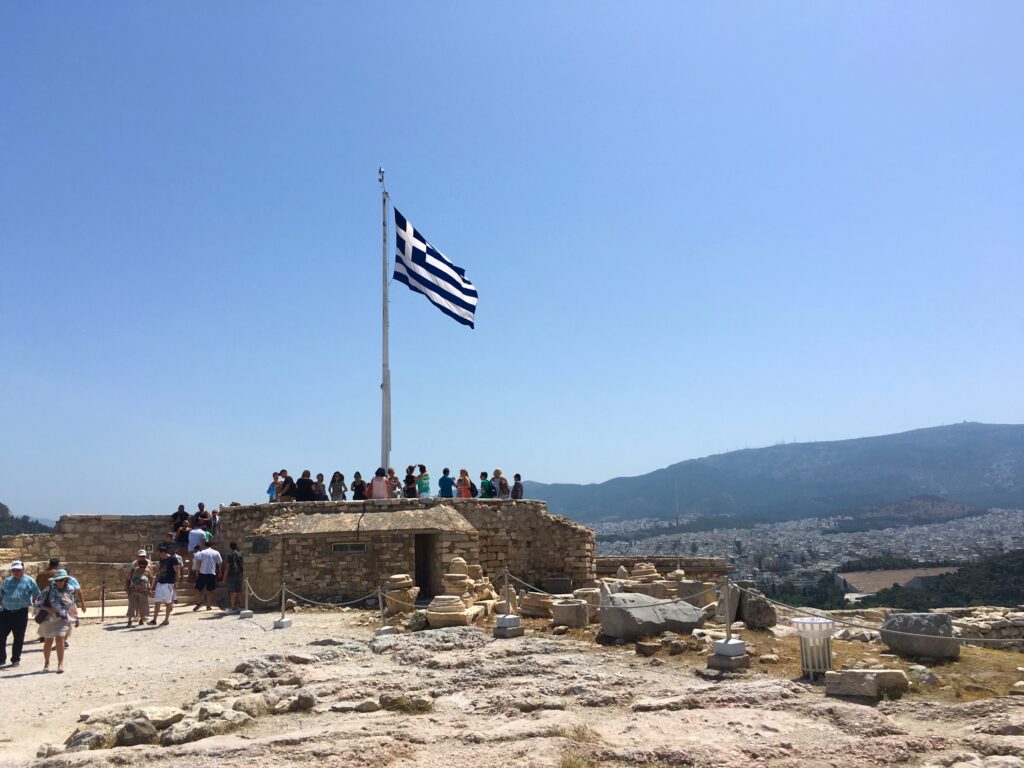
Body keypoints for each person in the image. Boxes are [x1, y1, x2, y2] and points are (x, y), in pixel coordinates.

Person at [0, 561, 41, 668]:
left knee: (18, 637)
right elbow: (1, 594)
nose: (16, 572)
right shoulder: (7, 581)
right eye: (13, 570)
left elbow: (37, 594)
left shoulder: (30, 581)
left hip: (20, 613)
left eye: (18, 570)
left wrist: (36, 606)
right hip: (5, 612)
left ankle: (15, 659)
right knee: (1, 636)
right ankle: (1, 659)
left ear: (23, 570)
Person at [36, 569, 75, 673]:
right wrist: (48, 609)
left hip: (62, 618)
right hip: (48, 618)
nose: (59, 582)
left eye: (61, 580)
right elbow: (38, 603)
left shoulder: (70, 589)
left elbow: (72, 603)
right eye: (57, 580)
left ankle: (60, 664)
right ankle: (47, 663)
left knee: (60, 639)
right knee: (48, 640)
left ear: (65, 580)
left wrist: (75, 617)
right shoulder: (48, 589)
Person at [149, 547, 180, 626]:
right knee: (157, 601)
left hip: (169, 583)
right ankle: (154, 619)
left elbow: (177, 571)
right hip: (160, 582)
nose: (159, 555)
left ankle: (166, 619)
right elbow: (159, 572)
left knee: (168, 602)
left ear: (163, 552)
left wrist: (176, 582)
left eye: (159, 553)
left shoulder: (173, 559)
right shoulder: (161, 561)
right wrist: (154, 585)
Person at [192, 539, 223, 611]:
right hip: (212, 573)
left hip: (203, 572)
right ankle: (208, 605)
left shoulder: (202, 552)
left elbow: (198, 562)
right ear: (211, 545)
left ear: (205, 545)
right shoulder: (216, 552)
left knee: (198, 589)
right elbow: (220, 563)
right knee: (210, 590)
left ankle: (200, 602)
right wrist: (220, 572)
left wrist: (197, 571)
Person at [125, 550, 152, 628]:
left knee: (143, 605)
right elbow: (127, 579)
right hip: (133, 590)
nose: (142, 558)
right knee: (131, 606)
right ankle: (130, 621)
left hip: (143, 591)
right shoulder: (133, 568)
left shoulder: (148, 568)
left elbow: (151, 577)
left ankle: (141, 619)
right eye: (140, 556)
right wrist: (127, 588)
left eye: (143, 556)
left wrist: (150, 588)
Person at [226, 542, 243, 612]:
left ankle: (233, 607)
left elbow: (228, 566)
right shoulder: (240, 554)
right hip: (239, 574)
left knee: (232, 592)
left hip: (232, 574)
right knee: (239, 591)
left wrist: (224, 576)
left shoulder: (230, 555)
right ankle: (242, 606)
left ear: (230, 547)